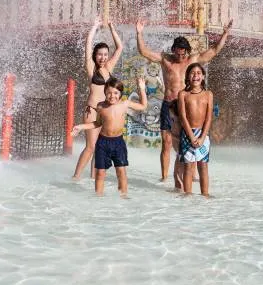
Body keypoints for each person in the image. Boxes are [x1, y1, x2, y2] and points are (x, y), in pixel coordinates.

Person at [136, 17, 232, 190]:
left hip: (186, 104)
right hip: (169, 104)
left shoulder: (193, 60)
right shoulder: (166, 59)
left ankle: (190, 173)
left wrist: (224, 34)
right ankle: (164, 177)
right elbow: (143, 51)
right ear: (173, 50)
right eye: (178, 53)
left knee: (187, 138)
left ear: (188, 52)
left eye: (183, 54)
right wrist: (139, 32)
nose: (180, 57)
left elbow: (214, 51)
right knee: (166, 141)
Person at [71, 77, 148, 197]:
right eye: (109, 93)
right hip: (103, 143)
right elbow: (97, 123)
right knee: (100, 173)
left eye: (116, 93)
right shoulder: (101, 106)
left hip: (118, 143)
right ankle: (98, 196)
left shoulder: (125, 104)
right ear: (105, 93)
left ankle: (123, 195)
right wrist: (80, 127)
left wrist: (142, 89)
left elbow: (143, 106)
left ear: (121, 93)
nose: (112, 96)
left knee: (121, 171)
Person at [72, 17, 123, 180]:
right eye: (99, 54)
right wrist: (94, 27)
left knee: (100, 148)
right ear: (95, 55)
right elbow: (88, 44)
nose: (102, 57)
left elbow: (120, 47)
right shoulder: (91, 67)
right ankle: (76, 176)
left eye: (105, 54)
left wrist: (112, 28)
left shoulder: (109, 67)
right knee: (91, 147)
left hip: (106, 112)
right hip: (92, 111)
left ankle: (94, 179)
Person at [177, 63, 213, 197]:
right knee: (188, 166)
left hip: (203, 134)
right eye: (192, 73)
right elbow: (183, 117)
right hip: (188, 134)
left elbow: (209, 118)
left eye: (198, 73)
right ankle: (188, 195)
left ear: (203, 76)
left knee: (203, 166)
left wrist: (202, 137)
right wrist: (191, 137)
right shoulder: (183, 94)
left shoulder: (208, 94)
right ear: (187, 76)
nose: (195, 76)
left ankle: (205, 194)